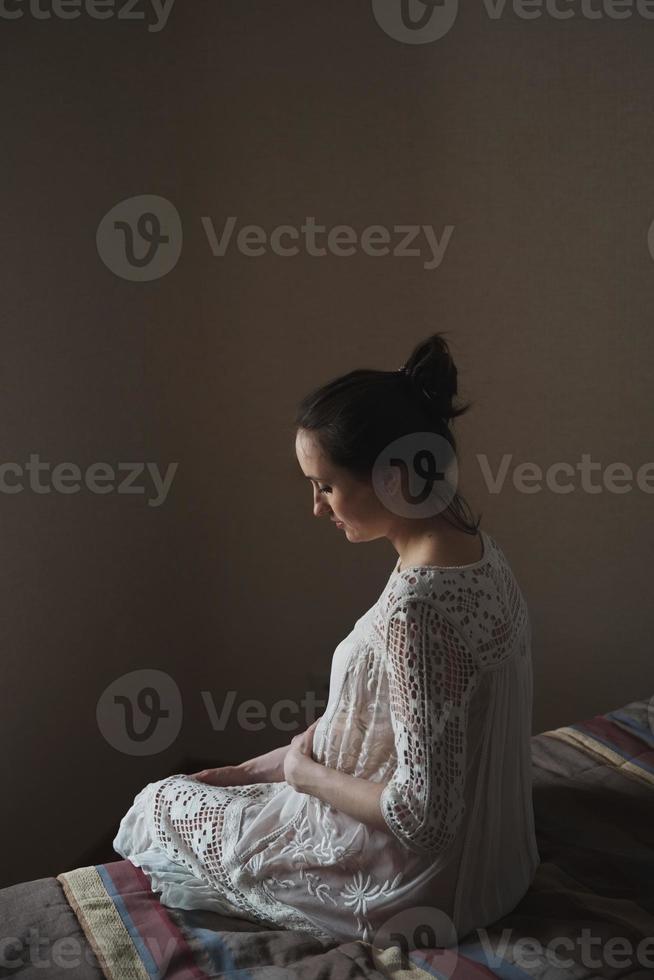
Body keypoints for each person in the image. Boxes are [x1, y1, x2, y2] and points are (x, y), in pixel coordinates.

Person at [113, 333, 540, 947]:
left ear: (392, 477)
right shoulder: (475, 556)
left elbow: (424, 818)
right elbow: (384, 720)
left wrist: (300, 774)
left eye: (326, 486)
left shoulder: (418, 609)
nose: (317, 507)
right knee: (205, 792)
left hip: (426, 888)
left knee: (157, 801)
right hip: (498, 867)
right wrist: (252, 771)